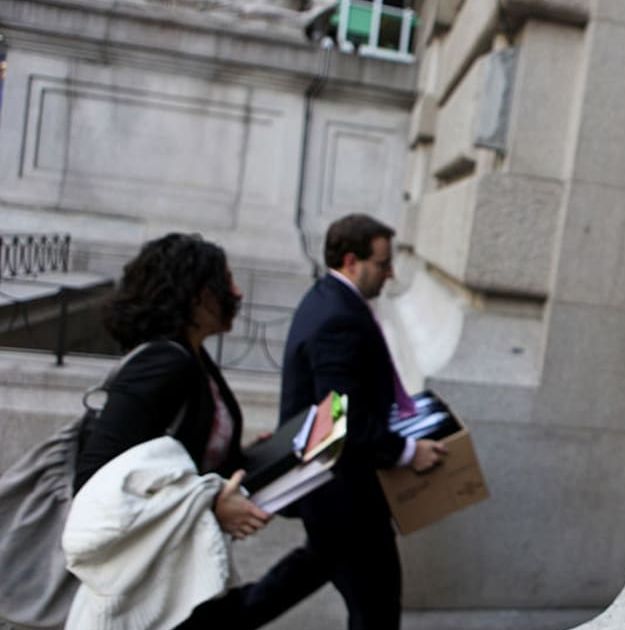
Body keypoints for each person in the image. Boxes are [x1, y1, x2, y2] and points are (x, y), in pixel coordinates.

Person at [71, 233, 274, 626]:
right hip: (147, 594)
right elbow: (92, 482)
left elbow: (188, 457)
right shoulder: (164, 364)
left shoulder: (194, 358)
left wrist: (247, 455)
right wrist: (210, 504)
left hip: (182, 577)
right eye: (225, 282)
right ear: (195, 296)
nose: (237, 292)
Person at [261, 214, 446, 629]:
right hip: (345, 496)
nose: (390, 273)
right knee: (377, 611)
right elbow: (343, 419)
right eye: (382, 264)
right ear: (351, 260)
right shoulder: (338, 319)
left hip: (334, 494)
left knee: (299, 582)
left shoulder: (329, 300)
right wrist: (409, 451)